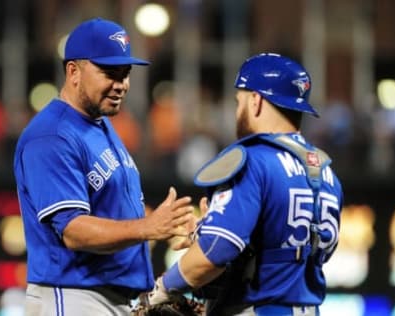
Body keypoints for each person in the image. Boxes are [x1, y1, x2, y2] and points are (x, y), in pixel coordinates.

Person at [13, 17, 195, 316]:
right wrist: (147, 227)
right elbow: (72, 230)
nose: (120, 84)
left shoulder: (98, 125)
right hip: (72, 296)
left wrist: (167, 223)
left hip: (108, 297)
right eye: (109, 73)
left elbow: (114, 213)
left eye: (125, 74)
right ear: (73, 71)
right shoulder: (52, 135)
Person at [144, 53, 344, 316]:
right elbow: (280, 248)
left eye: (240, 101)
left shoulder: (253, 160)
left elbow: (217, 251)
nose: (238, 109)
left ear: (256, 100)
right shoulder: (326, 173)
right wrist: (205, 231)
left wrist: (161, 289)